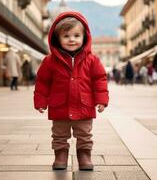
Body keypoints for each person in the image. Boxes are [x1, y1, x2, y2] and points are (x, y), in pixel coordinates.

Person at [34, 12, 109, 171]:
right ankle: (60, 155)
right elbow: (42, 82)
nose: (72, 39)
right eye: (66, 35)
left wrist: (101, 100)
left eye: (76, 35)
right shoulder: (49, 61)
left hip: (84, 105)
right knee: (59, 134)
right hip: (59, 106)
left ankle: (84, 155)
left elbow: (100, 79)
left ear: (84, 37)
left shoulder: (92, 60)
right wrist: (40, 101)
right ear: (57, 38)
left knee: (84, 134)